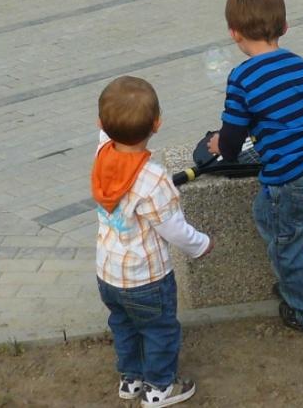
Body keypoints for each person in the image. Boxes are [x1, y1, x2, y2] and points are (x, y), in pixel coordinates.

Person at [206, 0, 303, 337]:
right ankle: (298, 282)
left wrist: (220, 145)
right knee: (268, 216)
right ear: (284, 26)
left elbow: (232, 139)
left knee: (287, 245)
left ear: (234, 34)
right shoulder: (302, 65)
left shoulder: (242, 77)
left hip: (291, 177)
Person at [92, 76, 211, 407]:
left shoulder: (103, 155)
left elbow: (106, 132)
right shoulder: (153, 178)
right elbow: (172, 228)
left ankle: (131, 378)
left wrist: (110, 118)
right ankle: (160, 387)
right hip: (147, 279)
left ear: (100, 124)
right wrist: (200, 244)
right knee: (159, 330)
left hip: (108, 274)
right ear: (157, 124)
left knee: (123, 325)